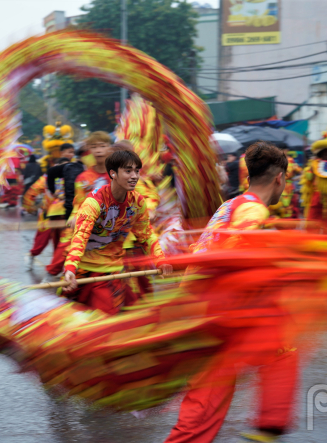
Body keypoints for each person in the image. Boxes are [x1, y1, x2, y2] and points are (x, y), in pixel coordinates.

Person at [165, 141, 297, 443]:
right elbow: (234, 258)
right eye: (286, 180)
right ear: (280, 178)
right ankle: (270, 424)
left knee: (202, 411)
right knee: (200, 415)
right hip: (213, 317)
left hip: (199, 309)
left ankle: (269, 424)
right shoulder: (253, 212)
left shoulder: (230, 205)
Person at [62, 150, 171, 314]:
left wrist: (161, 260)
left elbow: (146, 235)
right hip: (83, 269)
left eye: (137, 171)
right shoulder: (94, 202)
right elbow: (80, 237)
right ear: (113, 173)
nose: (134, 176)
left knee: (110, 316)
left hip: (112, 271)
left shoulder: (137, 202)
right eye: (128, 171)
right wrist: (70, 267)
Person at [46, 132, 112, 279]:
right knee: (66, 243)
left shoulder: (118, 173)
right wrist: (75, 216)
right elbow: (79, 202)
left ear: (109, 148)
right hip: (88, 223)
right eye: (94, 147)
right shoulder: (83, 177)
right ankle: (53, 274)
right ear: (89, 150)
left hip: (115, 226)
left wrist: (149, 209)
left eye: (103, 146)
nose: (99, 150)